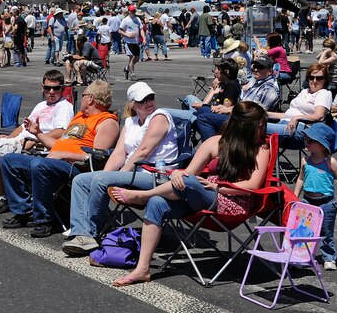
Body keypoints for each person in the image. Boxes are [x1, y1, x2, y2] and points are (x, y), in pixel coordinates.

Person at [107, 101, 271, 287]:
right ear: (244, 127)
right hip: (203, 195)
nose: (263, 131)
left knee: (188, 183)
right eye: (259, 126)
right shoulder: (214, 143)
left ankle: (142, 196)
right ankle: (142, 269)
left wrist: (217, 187)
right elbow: (190, 173)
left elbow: (253, 184)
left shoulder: (261, 148)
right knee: (157, 203)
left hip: (235, 201)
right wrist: (178, 173)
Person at [61, 82, 178, 256]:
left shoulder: (160, 117)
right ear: (132, 104)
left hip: (156, 176)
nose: (149, 102)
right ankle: (81, 232)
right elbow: (118, 154)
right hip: (133, 173)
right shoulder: (130, 123)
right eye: (143, 100)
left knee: (102, 180)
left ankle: (92, 234)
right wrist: (104, 175)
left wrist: (115, 176)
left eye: (151, 97)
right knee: (82, 180)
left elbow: (143, 152)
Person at [0, 80, 120, 238]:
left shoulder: (107, 122)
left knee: (39, 164)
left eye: (83, 95)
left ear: (90, 98)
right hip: (52, 160)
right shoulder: (79, 117)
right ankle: (23, 211)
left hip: (75, 168)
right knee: (9, 160)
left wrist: (64, 155)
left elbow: (96, 158)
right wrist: (38, 133)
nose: (81, 98)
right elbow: (58, 144)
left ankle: (44, 220)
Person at [0, 70, 74, 216]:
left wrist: (36, 139)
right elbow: (23, 126)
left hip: (35, 144)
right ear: (42, 87)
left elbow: (61, 132)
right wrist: (9, 138)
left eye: (56, 88)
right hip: (21, 140)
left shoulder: (64, 107)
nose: (51, 92)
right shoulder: (41, 105)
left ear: (63, 88)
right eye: (48, 88)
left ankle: (0, 195)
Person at [293, 123, 337, 271]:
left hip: (326, 202)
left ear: (323, 145)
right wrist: (294, 196)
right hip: (307, 201)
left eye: (311, 141)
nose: (307, 144)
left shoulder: (330, 162)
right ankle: (301, 256)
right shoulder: (305, 160)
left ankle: (329, 257)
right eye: (306, 140)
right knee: (303, 230)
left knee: (326, 232)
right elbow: (300, 179)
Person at [192, 56, 280, 141]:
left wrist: (228, 109)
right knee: (202, 110)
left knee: (203, 118)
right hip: (239, 114)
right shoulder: (256, 81)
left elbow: (255, 112)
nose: (256, 69)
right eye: (254, 66)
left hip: (248, 123)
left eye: (260, 67)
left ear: (270, 71)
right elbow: (240, 87)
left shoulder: (269, 89)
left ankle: (214, 150)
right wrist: (219, 80)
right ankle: (218, 144)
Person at [266, 63, 332, 147]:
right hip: (283, 124)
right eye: (311, 78)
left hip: (300, 130)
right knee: (253, 125)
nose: (314, 81)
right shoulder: (305, 91)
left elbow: (319, 116)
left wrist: (296, 118)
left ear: (325, 80)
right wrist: (266, 113)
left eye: (319, 78)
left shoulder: (323, 93)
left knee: (253, 127)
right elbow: (287, 115)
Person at [120, 5, 141, 80]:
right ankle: (132, 74)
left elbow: (141, 29)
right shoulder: (125, 20)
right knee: (132, 57)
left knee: (137, 58)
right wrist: (127, 35)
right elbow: (120, 30)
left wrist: (144, 39)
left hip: (136, 42)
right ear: (129, 11)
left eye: (134, 10)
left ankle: (127, 68)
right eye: (132, 10)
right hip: (128, 42)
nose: (133, 12)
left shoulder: (137, 19)